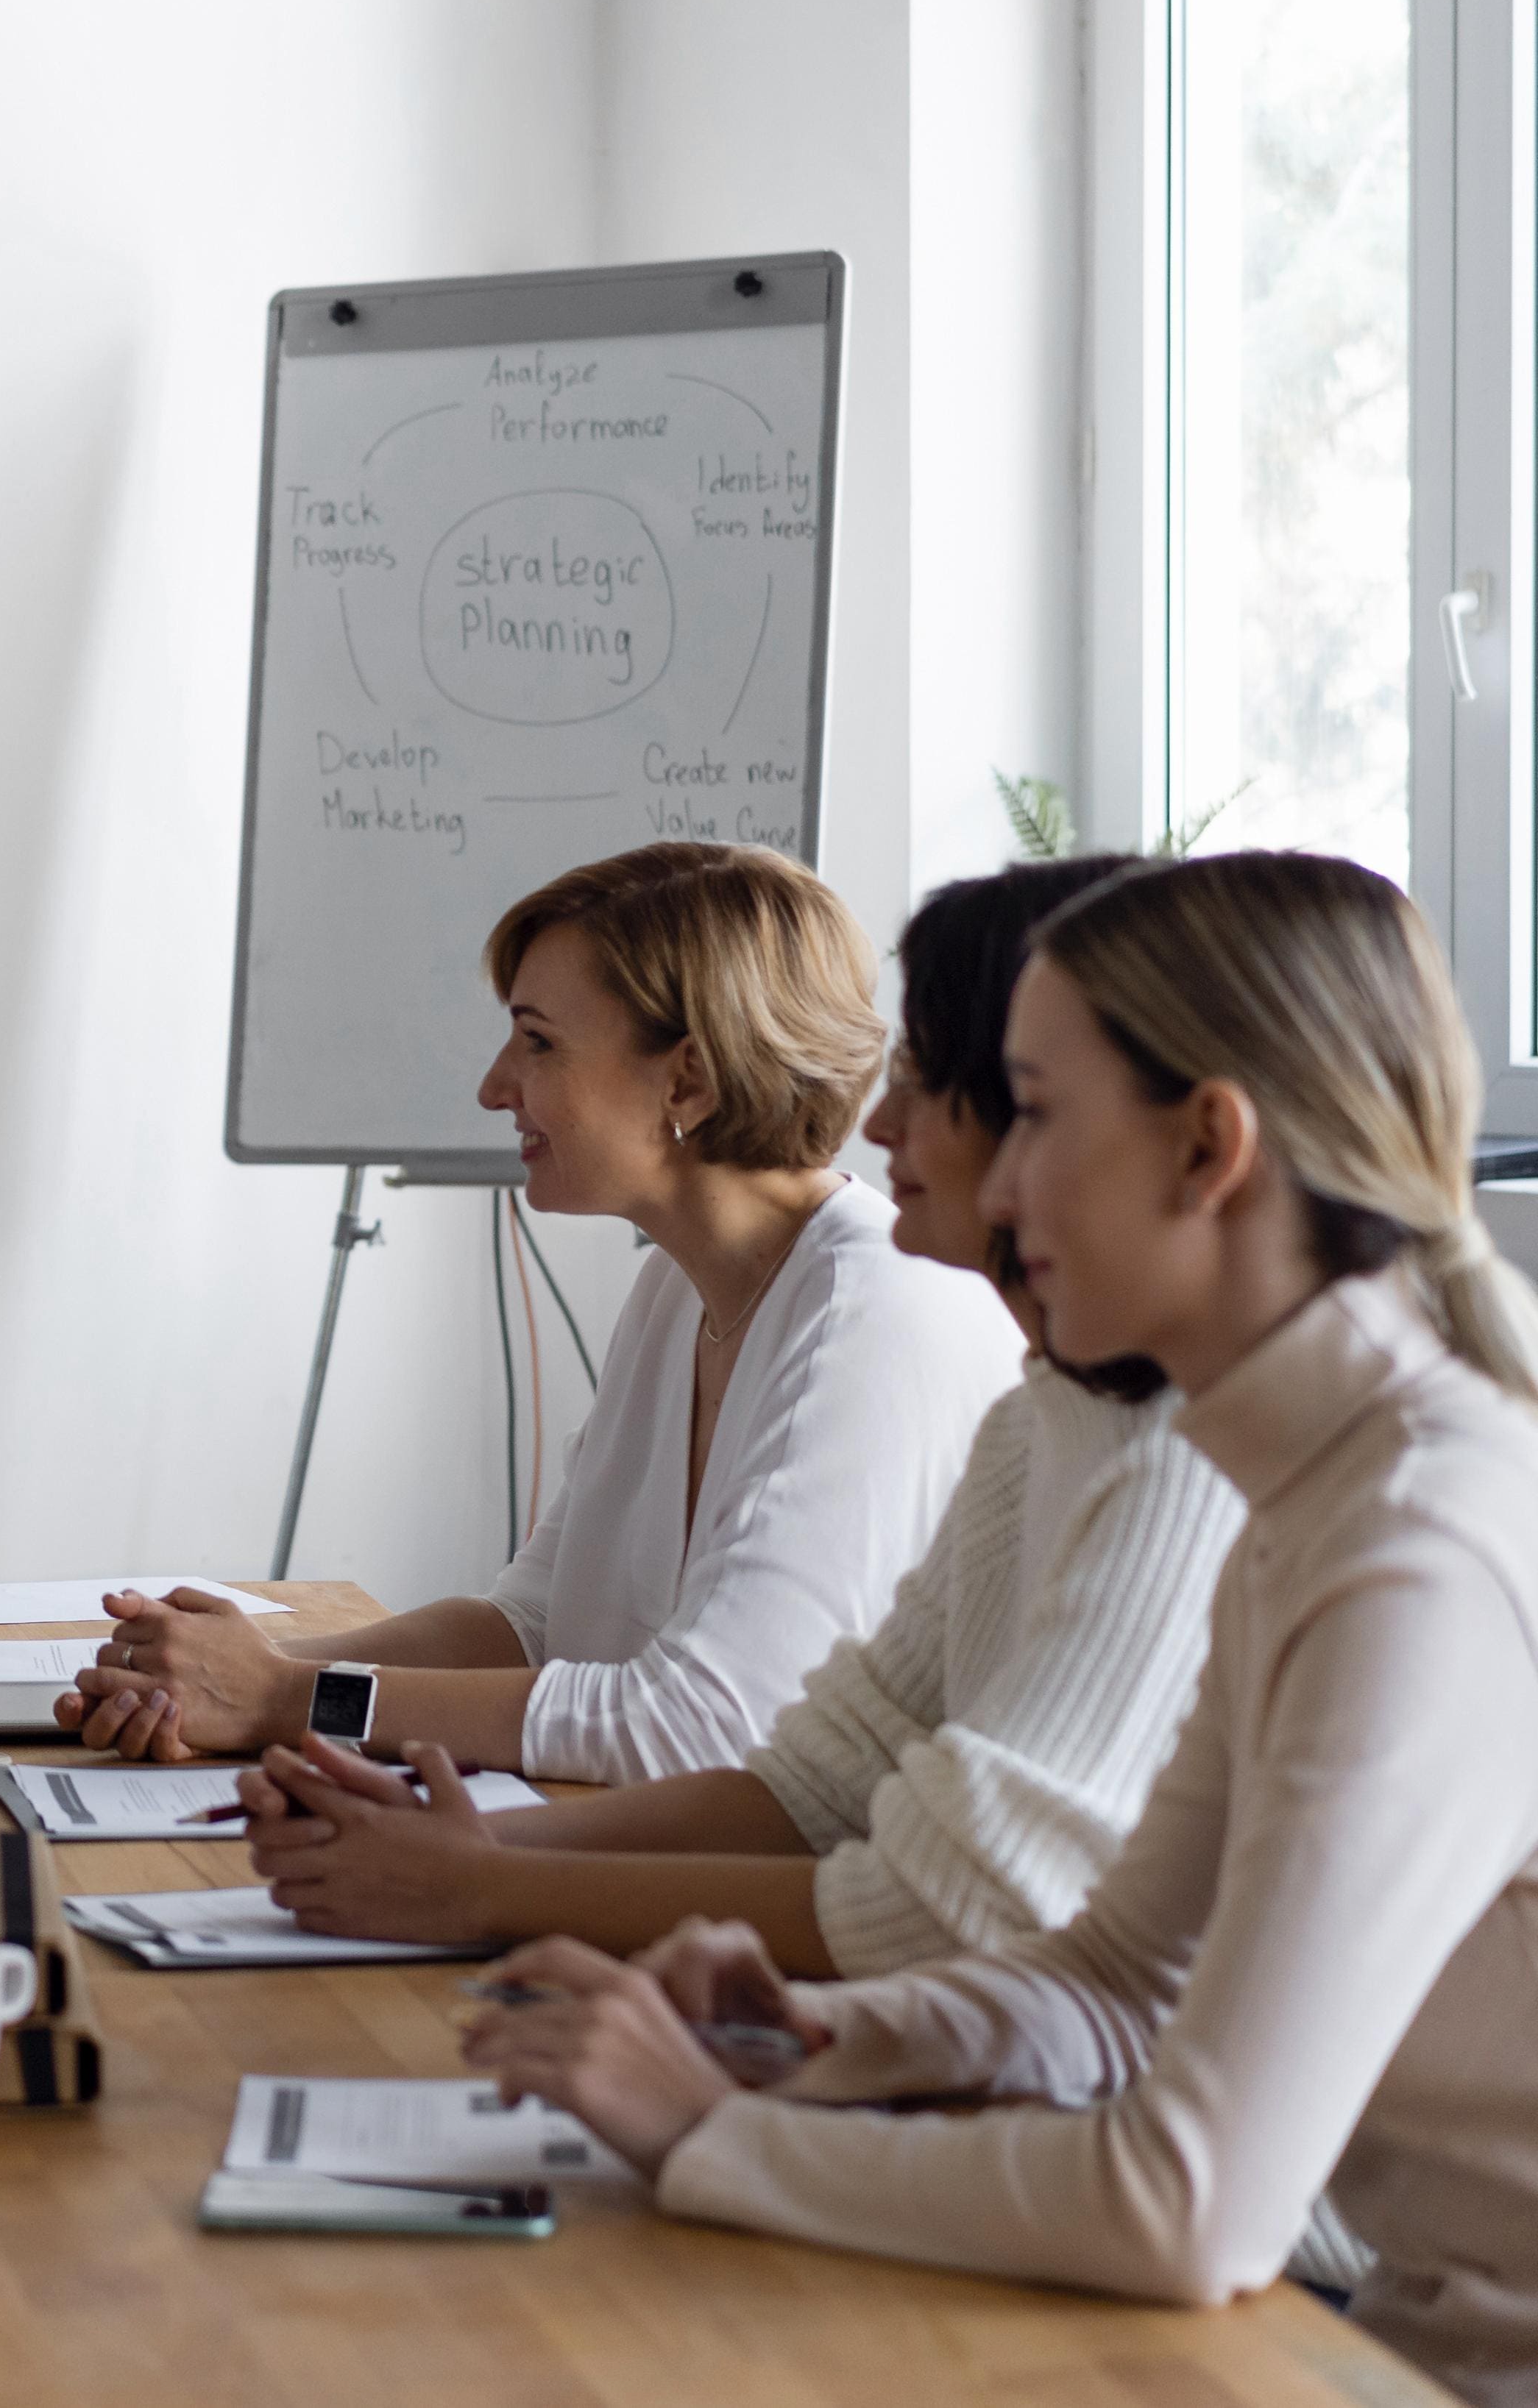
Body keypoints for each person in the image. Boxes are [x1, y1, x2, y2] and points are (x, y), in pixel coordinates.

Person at [466, 851, 1538, 2398]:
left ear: (1205, 1148)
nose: (989, 1175)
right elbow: (1107, 1971)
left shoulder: (1410, 1542)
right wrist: (808, 2042)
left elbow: (1186, 2201)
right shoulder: (1316, 1478)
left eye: (1029, 1111)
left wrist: (709, 2129)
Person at [233, 858, 1244, 1975]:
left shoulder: (938, 1334)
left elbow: (910, 1870)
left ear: (689, 1084)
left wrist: (324, 1727)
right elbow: (810, 1775)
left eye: (538, 1042)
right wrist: (441, 1834)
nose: (884, 1117)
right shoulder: (1035, 1410)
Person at [69, 842, 1020, 1780]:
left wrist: (286, 1699)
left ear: (685, 1081)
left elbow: (706, 1727)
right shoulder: (677, 1286)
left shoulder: (872, 1311)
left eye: (538, 1041)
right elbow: (531, 1624)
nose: (494, 1086)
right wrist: (230, 1672)